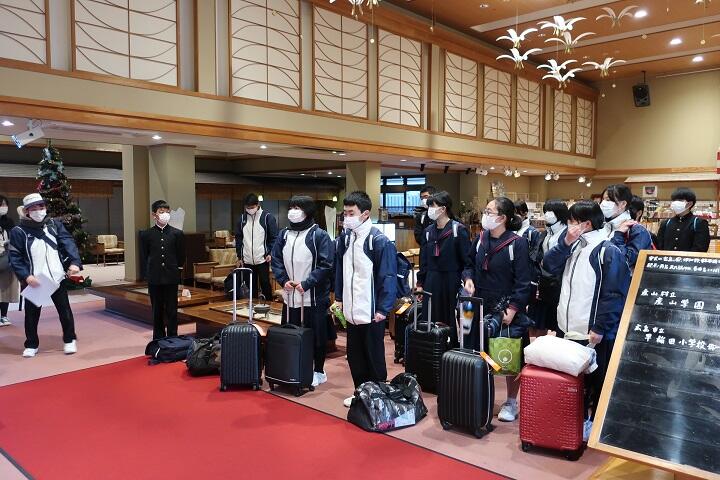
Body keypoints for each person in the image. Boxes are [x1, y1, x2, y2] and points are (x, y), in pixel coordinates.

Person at [542, 200, 631, 441]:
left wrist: (600, 326)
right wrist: (565, 242)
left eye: (572, 222)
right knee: (572, 378)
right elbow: (548, 265)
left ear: (586, 224)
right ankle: (575, 419)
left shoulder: (607, 250)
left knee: (595, 378)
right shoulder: (573, 244)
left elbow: (614, 293)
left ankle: (593, 422)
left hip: (592, 331)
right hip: (567, 326)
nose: (568, 226)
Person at [462, 197, 532, 422]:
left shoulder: (517, 243)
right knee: (478, 351)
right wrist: (468, 279)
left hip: (505, 306)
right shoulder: (480, 238)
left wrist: (513, 308)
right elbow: (468, 264)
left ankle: (511, 402)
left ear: (502, 218)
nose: (485, 215)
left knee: (508, 354)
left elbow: (524, 281)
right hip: (478, 303)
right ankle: (482, 394)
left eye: (489, 211)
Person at [333, 191, 397, 408]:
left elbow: (388, 276)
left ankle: (378, 397)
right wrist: (339, 298)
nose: (346, 217)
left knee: (374, 355)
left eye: (351, 213)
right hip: (351, 309)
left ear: (365, 214)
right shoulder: (345, 239)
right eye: (345, 213)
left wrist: (383, 308)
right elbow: (340, 271)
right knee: (355, 355)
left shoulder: (378, 241)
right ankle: (361, 393)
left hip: (371, 311)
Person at [271, 195, 335, 387]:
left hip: (313, 298)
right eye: (291, 207)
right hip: (290, 297)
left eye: (297, 208)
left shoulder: (319, 235)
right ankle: (293, 368)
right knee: (290, 335)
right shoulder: (284, 234)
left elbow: (326, 265)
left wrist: (307, 283)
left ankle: (318, 371)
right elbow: (276, 259)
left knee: (316, 337)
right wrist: (283, 280)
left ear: (307, 212)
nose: (293, 211)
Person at [8, 193, 82, 357]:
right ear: (27, 211)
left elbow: (68, 242)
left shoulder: (54, 225)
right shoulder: (19, 231)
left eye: (41, 207)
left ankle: (69, 339)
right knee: (31, 315)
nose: (39, 210)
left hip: (56, 277)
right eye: (34, 208)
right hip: (35, 279)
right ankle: (31, 344)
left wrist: (75, 262)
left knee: (65, 311)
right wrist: (26, 276)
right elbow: (15, 257)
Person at [416, 191, 472, 347]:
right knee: (430, 316)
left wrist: (467, 278)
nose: (430, 210)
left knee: (449, 317)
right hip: (431, 280)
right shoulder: (428, 231)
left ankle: (450, 347)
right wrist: (420, 283)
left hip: (451, 280)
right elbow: (423, 260)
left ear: (443, 209)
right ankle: (431, 349)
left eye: (432, 206)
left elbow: (467, 260)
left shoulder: (458, 230)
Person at [139, 200, 185, 340]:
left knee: (172, 309)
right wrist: (147, 274)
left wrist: (178, 273)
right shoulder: (146, 234)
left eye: (167, 211)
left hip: (171, 276)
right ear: (154, 215)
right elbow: (144, 256)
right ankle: (158, 338)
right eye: (161, 211)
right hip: (155, 277)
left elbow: (181, 255)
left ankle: (173, 337)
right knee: (157, 310)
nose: (165, 214)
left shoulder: (177, 233)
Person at [528, 199, 569, 335]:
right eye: (545, 211)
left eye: (550, 211)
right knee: (537, 321)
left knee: (554, 320)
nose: (547, 214)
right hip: (542, 280)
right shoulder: (545, 232)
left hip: (557, 282)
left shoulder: (567, 233)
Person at [235, 193, 278, 300]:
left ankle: (269, 304)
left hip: (262, 258)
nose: (250, 209)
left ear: (258, 204)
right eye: (247, 207)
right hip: (247, 259)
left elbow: (274, 238)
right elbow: (239, 239)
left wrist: (270, 253)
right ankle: (252, 305)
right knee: (250, 285)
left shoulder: (267, 217)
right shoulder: (242, 219)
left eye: (252, 207)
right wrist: (240, 257)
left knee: (265, 283)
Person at [600, 184, 653, 270]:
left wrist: (618, 235)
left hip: (626, 278)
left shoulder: (637, 230)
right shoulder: (604, 226)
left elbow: (626, 262)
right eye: (603, 199)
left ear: (623, 203)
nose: (603, 203)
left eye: (608, 200)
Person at [656, 187, 710, 252]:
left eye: (680, 200)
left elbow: (701, 248)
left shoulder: (699, 223)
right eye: (674, 200)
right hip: (667, 258)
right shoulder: (666, 223)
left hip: (689, 258)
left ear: (690, 204)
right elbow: (659, 246)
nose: (675, 203)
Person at [0, 195, 18, 326]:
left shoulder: (9, 222)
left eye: (5, 204)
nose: (3, 207)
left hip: (7, 259)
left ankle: (4, 315)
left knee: (5, 288)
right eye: (1, 204)